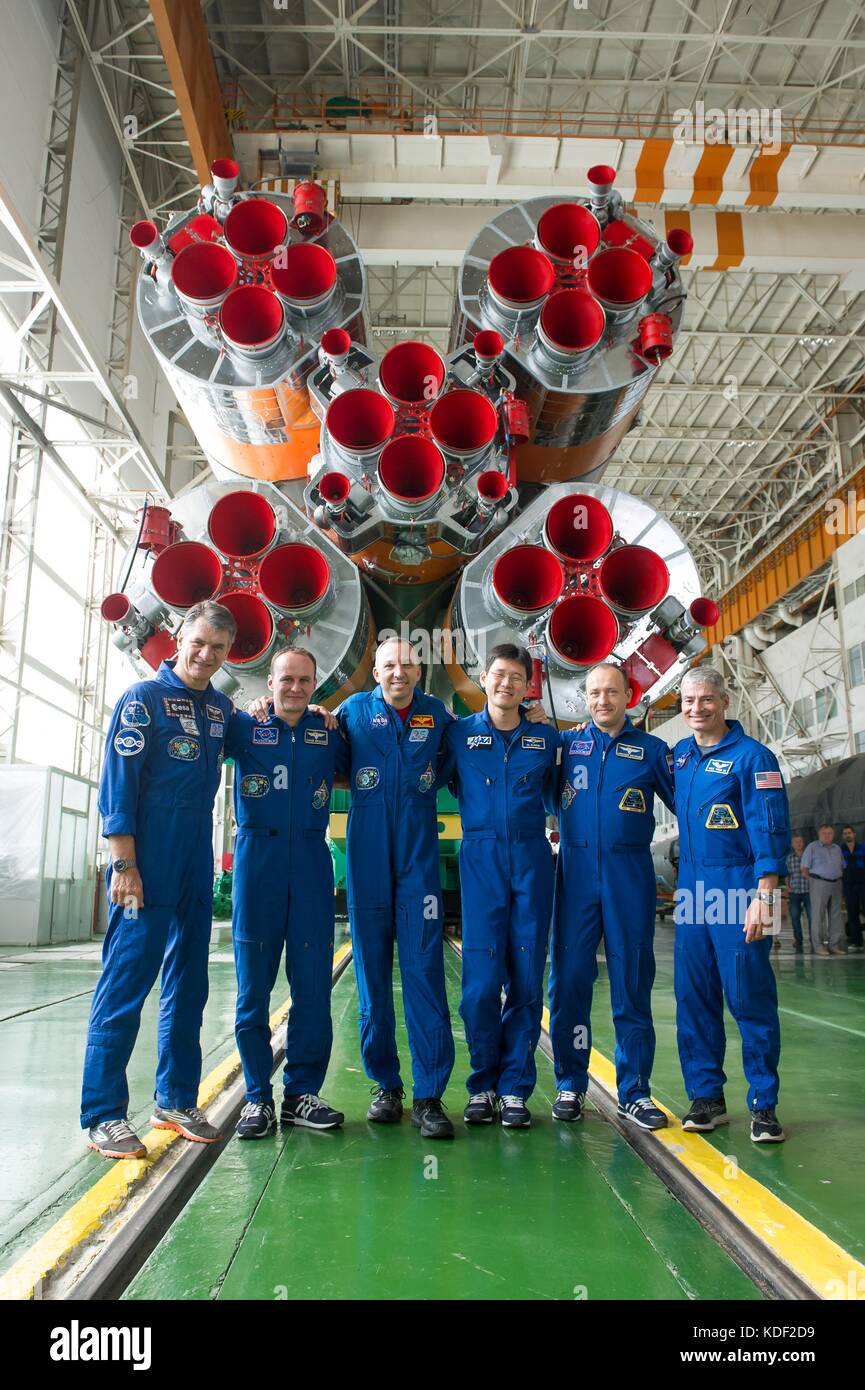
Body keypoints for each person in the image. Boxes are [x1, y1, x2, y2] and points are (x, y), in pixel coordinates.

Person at [81, 601, 236, 1159]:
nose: (206, 655)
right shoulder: (142, 700)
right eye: (199, 643)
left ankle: (174, 1099)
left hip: (195, 860)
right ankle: (103, 1113)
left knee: (189, 987)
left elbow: (266, 738)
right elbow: (117, 785)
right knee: (125, 985)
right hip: (145, 861)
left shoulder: (221, 709)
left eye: (218, 648)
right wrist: (123, 864)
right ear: (178, 637)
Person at [226, 648, 350, 1138]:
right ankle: (257, 1097)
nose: (295, 688)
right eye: (286, 679)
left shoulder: (329, 732)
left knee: (313, 988)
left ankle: (301, 1093)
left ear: (315, 685)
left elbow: (356, 765)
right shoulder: (244, 726)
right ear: (270, 682)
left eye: (304, 680)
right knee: (252, 989)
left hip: (311, 863)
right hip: (258, 862)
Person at [338, 639, 458, 1140]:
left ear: (420, 668)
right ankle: (386, 1084)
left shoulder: (440, 717)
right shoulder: (350, 713)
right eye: (389, 665)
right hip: (366, 861)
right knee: (370, 975)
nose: (398, 673)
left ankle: (429, 1095)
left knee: (425, 973)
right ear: (376, 671)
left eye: (408, 664)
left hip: (417, 865)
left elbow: (470, 754)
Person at [548, 662, 675, 1131]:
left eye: (612, 692)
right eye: (595, 693)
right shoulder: (566, 747)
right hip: (575, 876)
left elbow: (690, 799)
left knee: (632, 982)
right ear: (585, 698)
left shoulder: (652, 751)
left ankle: (635, 1091)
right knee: (570, 982)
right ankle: (570, 1082)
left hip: (629, 876)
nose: (603, 700)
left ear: (630, 695)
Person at [440, 644, 558, 1129]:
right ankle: (482, 1085)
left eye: (516, 677)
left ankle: (514, 1088)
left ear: (528, 686)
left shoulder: (546, 741)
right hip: (482, 858)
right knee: (481, 985)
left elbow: (564, 795)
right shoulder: (458, 736)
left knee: (527, 981)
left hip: (533, 859)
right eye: (498, 675)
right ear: (483, 679)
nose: (506, 683)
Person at [673, 667, 790, 1144]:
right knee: (693, 998)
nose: (696, 708)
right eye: (688, 701)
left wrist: (767, 897)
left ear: (724, 703)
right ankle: (707, 1098)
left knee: (749, 998)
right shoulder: (679, 757)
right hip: (691, 896)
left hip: (740, 891)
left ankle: (764, 1104)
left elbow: (772, 827)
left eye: (706, 700)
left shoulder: (754, 758)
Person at [801, 824, 846, 956]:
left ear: (833, 835)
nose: (827, 836)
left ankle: (834, 945)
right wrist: (815, 882)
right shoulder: (812, 847)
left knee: (836, 915)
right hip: (819, 883)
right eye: (824, 833)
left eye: (830, 833)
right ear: (819, 835)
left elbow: (842, 866)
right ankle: (818, 946)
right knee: (817, 916)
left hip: (836, 883)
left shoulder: (837, 848)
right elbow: (804, 869)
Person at [784, 834, 810, 954]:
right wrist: (788, 887)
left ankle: (813, 940)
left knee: (812, 917)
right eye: (796, 842)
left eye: (800, 842)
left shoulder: (809, 856)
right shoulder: (789, 858)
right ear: (792, 845)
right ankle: (798, 940)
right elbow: (787, 874)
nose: (798, 844)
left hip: (808, 891)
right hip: (794, 892)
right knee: (795, 917)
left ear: (803, 843)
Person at [841, 824, 865, 952]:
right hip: (848, 886)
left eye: (849, 833)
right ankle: (857, 942)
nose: (847, 835)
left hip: (863, 885)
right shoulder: (840, 850)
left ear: (854, 834)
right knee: (852, 913)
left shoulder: (862, 848)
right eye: (845, 833)